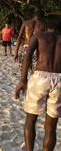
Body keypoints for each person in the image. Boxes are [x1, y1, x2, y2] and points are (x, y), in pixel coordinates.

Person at [15, 20, 61, 151]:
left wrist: (23, 80)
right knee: (51, 127)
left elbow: (28, 56)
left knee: (30, 119)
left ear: (46, 27)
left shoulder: (39, 36)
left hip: (40, 77)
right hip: (59, 78)